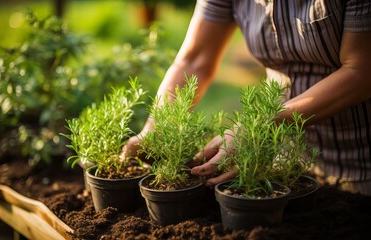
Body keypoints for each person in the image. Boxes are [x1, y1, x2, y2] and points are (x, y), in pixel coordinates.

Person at [123, 0, 371, 195]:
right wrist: (157, 127)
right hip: (281, 157)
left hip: (359, 164)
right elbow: (194, 60)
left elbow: (361, 71)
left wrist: (258, 126)